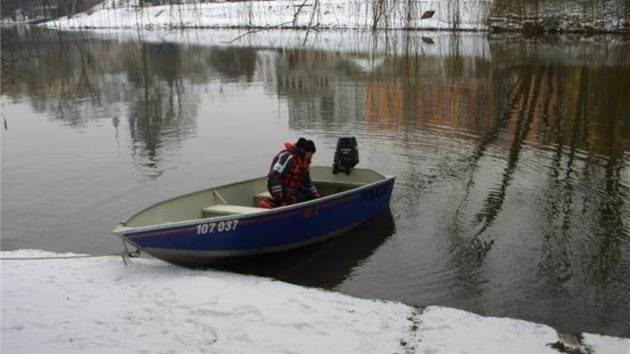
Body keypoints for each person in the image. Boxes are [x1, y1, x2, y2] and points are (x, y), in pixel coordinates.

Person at [260, 138, 322, 208]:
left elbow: (306, 179)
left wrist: (315, 193)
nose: (311, 156)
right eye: (310, 154)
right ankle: (272, 203)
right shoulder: (288, 157)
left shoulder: (305, 162)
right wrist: (278, 194)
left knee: (310, 196)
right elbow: (274, 176)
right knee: (296, 198)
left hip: (294, 187)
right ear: (303, 151)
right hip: (280, 186)